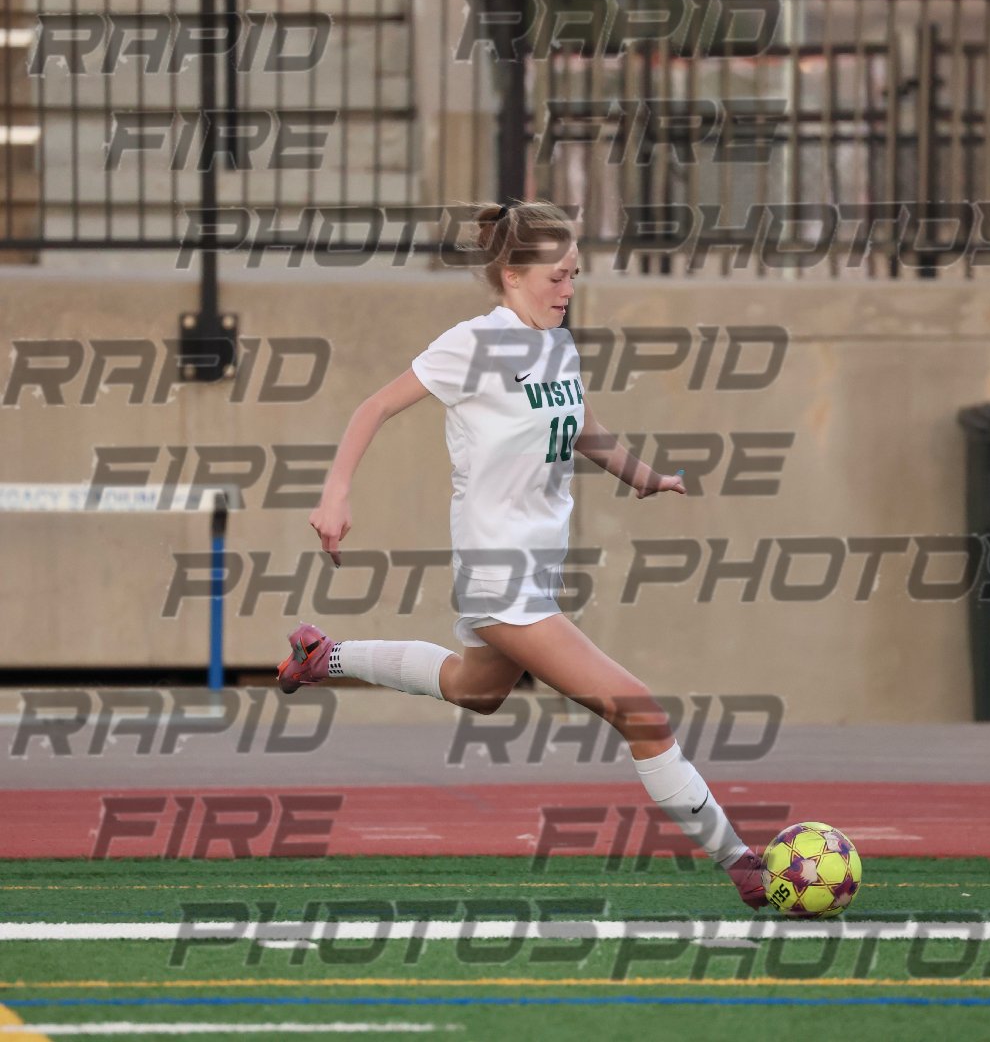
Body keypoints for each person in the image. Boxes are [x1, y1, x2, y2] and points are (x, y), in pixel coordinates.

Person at [277, 200, 767, 909]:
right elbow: (373, 408)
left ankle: (323, 655)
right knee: (640, 711)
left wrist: (644, 476)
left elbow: (582, 428)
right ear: (511, 274)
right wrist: (336, 494)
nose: (568, 289)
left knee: (476, 690)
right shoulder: (475, 343)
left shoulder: (557, 345)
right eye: (556, 277)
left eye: (575, 276)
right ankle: (742, 862)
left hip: (537, 569)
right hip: (499, 572)